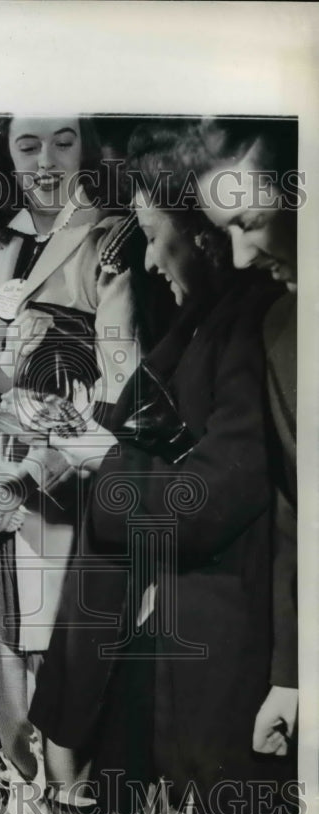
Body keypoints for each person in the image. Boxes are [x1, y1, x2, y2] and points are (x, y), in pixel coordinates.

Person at [28, 121, 292, 814]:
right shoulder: (204, 324)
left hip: (214, 653)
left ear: (203, 239)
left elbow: (211, 498)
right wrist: (91, 436)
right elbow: (142, 429)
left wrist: (103, 459)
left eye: (154, 236)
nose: (146, 258)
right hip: (162, 631)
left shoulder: (255, 329)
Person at [0, 116, 141, 779]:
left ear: (88, 145)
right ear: (4, 155)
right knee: (10, 641)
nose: (47, 161)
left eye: (64, 140)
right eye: (28, 145)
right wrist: (7, 374)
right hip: (5, 477)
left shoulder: (114, 234)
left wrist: (48, 449)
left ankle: (75, 812)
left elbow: (125, 382)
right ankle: (27, 807)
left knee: (69, 655)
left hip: (76, 481)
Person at [195, 119, 298, 761]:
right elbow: (296, 516)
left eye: (251, 221)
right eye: (224, 230)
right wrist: (291, 676)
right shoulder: (279, 327)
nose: (240, 258)